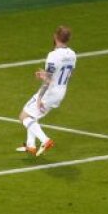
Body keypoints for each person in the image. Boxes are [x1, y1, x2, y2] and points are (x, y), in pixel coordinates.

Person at [17, 26, 75, 156]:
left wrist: (39, 98)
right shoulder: (72, 54)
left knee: (23, 117)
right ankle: (31, 146)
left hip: (49, 92)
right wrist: (45, 75)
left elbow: (48, 81)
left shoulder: (53, 55)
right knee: (33, 116)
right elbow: (68, 74)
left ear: (55, 37)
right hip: (61, 92)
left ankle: (45, 140)